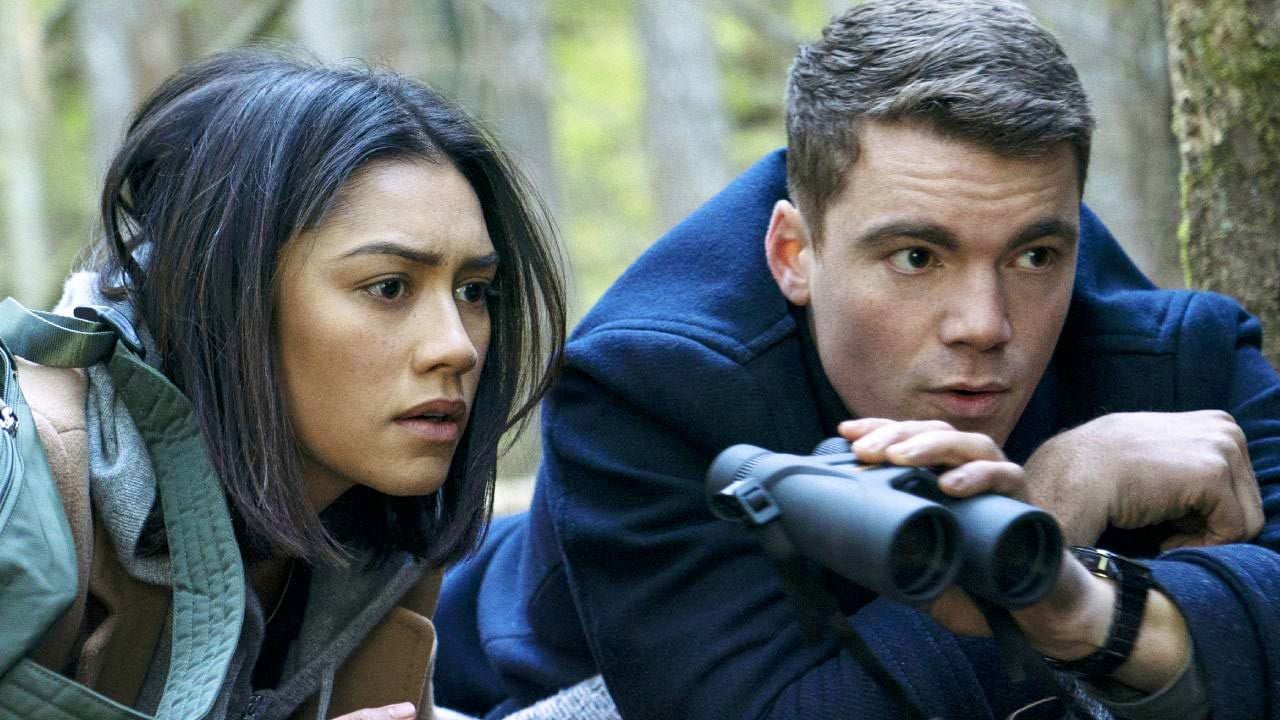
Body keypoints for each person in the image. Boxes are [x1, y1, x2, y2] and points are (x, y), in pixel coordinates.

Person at [433, 2, 1280, 719]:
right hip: (510, 668)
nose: (985, 326)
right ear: (793, 254)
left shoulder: (1173, 358)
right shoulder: (647, 386)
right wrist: (1043, 530)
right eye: (916, 257)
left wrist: (1087, 604)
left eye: (1034, 255)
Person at [11, 48, 566, 720]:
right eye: (389, 287)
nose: (457, 346)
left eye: (474, 291)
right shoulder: (33, 479)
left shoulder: (381, 535)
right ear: (225, 295)